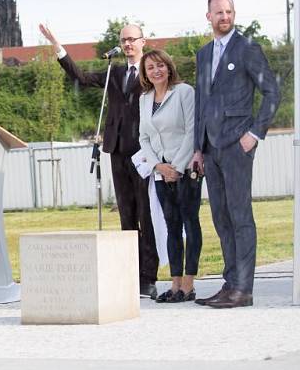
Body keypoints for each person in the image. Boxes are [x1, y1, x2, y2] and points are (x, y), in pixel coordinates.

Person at [39, 23, 159, 298]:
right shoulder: (114, 72)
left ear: (143, 41)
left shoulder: (153, 70)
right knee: (126, 215)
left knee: (146, 214)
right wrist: (58, 47)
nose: (128, 44)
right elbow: (80, 77)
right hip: (117, 149)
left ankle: (148, 277)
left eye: (132, 40)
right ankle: (130, 272)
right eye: (123, 40)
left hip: (144, 151)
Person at [191, 0, 280, 308]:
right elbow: (201, 103)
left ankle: (243, 288)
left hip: (236, 145)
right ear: (209, 17)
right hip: (211, 149)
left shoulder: (247, 48)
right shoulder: (203, 55)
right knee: (221, 216)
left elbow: (272, 92)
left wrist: (254, 133)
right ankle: (230, 285)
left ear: (234, 14)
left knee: (240, 216)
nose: (224, 17)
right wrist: (197, 149)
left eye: (229, 11)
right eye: (218, 12)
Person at [137, 50, 201, 303]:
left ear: (169, 67)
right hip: (162, 173)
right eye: (151, 67)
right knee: (171, 227)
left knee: (190, 224)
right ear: (145, 73)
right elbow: (144, 137)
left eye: (160, 65)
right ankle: (175, 285)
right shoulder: (145, 99)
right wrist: (158, 167)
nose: (156, 71)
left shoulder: (184, 92)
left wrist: (177, 166)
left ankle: (188, 284)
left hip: (186, 170)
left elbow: (191, 130)